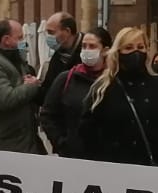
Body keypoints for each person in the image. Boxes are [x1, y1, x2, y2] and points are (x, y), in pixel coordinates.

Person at [71, 27, 158, 165]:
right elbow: (87, 133)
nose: (136, 52)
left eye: (140, 47)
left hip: (153, 168)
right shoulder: (103, 89)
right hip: (114, 168)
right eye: (128, 48)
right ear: (118, 52)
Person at [0, 20, 42, 154]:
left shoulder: (13, 59)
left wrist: (26, 82)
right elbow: (6, 99)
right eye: (20, 37)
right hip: (5, 142)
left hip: (22, 138)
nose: (24, 42)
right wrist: (31, 86)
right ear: (6, 40)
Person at [40, 26, 108, 155]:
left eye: (92, 46)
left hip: (107, 158)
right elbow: (47, 114)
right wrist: (61, 143)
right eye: (84, 46)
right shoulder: (67, 78)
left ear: (105, 50)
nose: (87, 50)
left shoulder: (113, 81)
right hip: (73, 157)